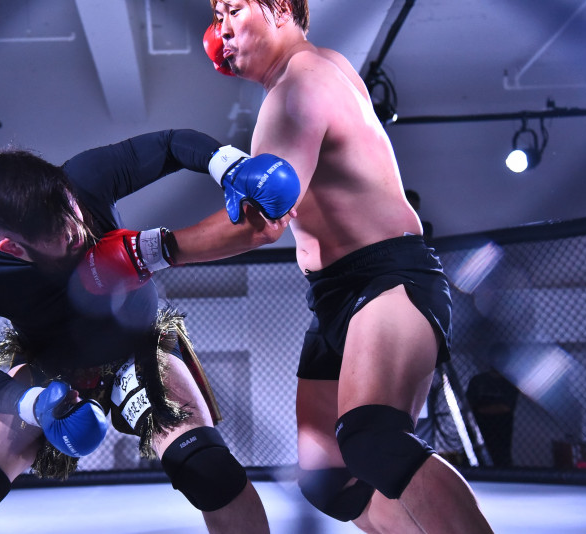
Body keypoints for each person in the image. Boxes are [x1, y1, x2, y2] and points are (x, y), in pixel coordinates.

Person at [149, 2, 495, 532]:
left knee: (373, 439)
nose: (221, 30)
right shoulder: (314, 70)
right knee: (330, 479)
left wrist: (148, 251)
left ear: (281, 8)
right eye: (216, 16)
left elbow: (261, 225)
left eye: (234, 9)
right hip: (335, 293)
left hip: (387, 278)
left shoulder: (300, 84)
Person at [0, 129, 295, 533]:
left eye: (72, 211)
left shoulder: (86, 178)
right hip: (49, 368)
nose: (76, 229)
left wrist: (230, 165)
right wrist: (35, 404)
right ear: (13, 248)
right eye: (58, 234)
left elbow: (172, 144)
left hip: (139, 347)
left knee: (209, 470)